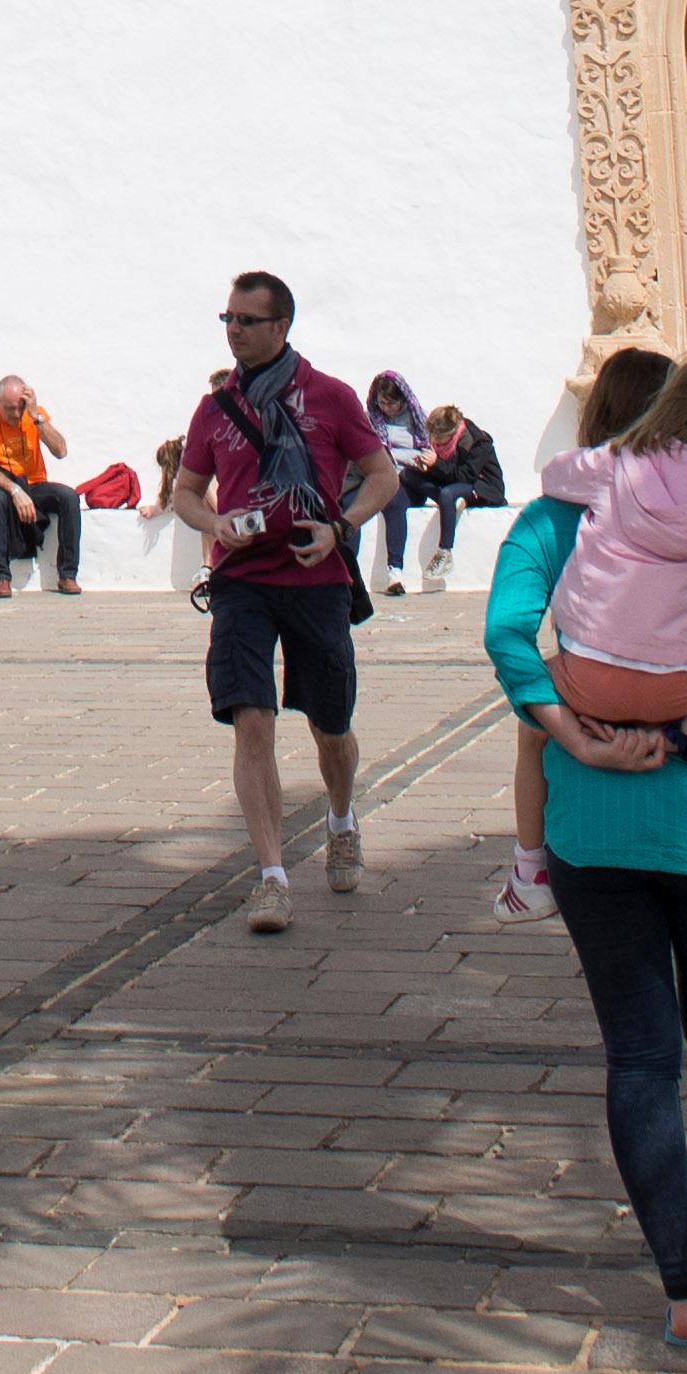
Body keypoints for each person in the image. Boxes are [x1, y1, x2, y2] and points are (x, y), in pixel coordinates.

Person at [490, 363, 687, 1354]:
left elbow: (507, 633)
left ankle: (685, 1291)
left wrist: (574, 737)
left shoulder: (555, 517)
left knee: (638, 1056)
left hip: (593, 832)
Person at [172, 268, 397, 932]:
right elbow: (185, 491)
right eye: (228, 319)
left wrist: (340, 528)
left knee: (331, 727)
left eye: (246, 320)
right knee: (252, 718)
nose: (234, 331)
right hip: (241, 582)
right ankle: (271, 876)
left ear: (281, 325)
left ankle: (341, 819)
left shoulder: (330, 397)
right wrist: (215, 524)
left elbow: (382, 476)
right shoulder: (214, 409)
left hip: (315, 580)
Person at [0, 375, 86, 596]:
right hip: (2, 486)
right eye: (9, 409)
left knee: (69, 497)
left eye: (19, 407)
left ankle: (68, 575)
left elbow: (61, 451)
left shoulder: (34, 414)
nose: (16, 414)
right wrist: (15, 490)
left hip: (35, 484)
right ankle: (1, 578)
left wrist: (36, 417)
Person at [413, 399, 507, 583]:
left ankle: (445, 552)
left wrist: (436, 464)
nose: (434, 442)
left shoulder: (476, 442)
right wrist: (426, 467)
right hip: (454, 481)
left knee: (447, 494)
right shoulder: (443, 443)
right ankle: (450, 504)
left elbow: (464, 476)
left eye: (438, 439)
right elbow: (448, 471)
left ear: (450, 434)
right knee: (409, 476)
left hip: (481, 486)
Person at [364, 371, 437, 591]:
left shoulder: (418, 419)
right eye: (382, 403)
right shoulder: (370, 419)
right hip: (384, 480)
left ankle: (395, 569)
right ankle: (394, 572)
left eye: (392, 403)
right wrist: (402, 457)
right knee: (392, 502)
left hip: (412, 480)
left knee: (396, 499)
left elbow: (427, 452)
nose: (387, 408)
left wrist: (395, 456)